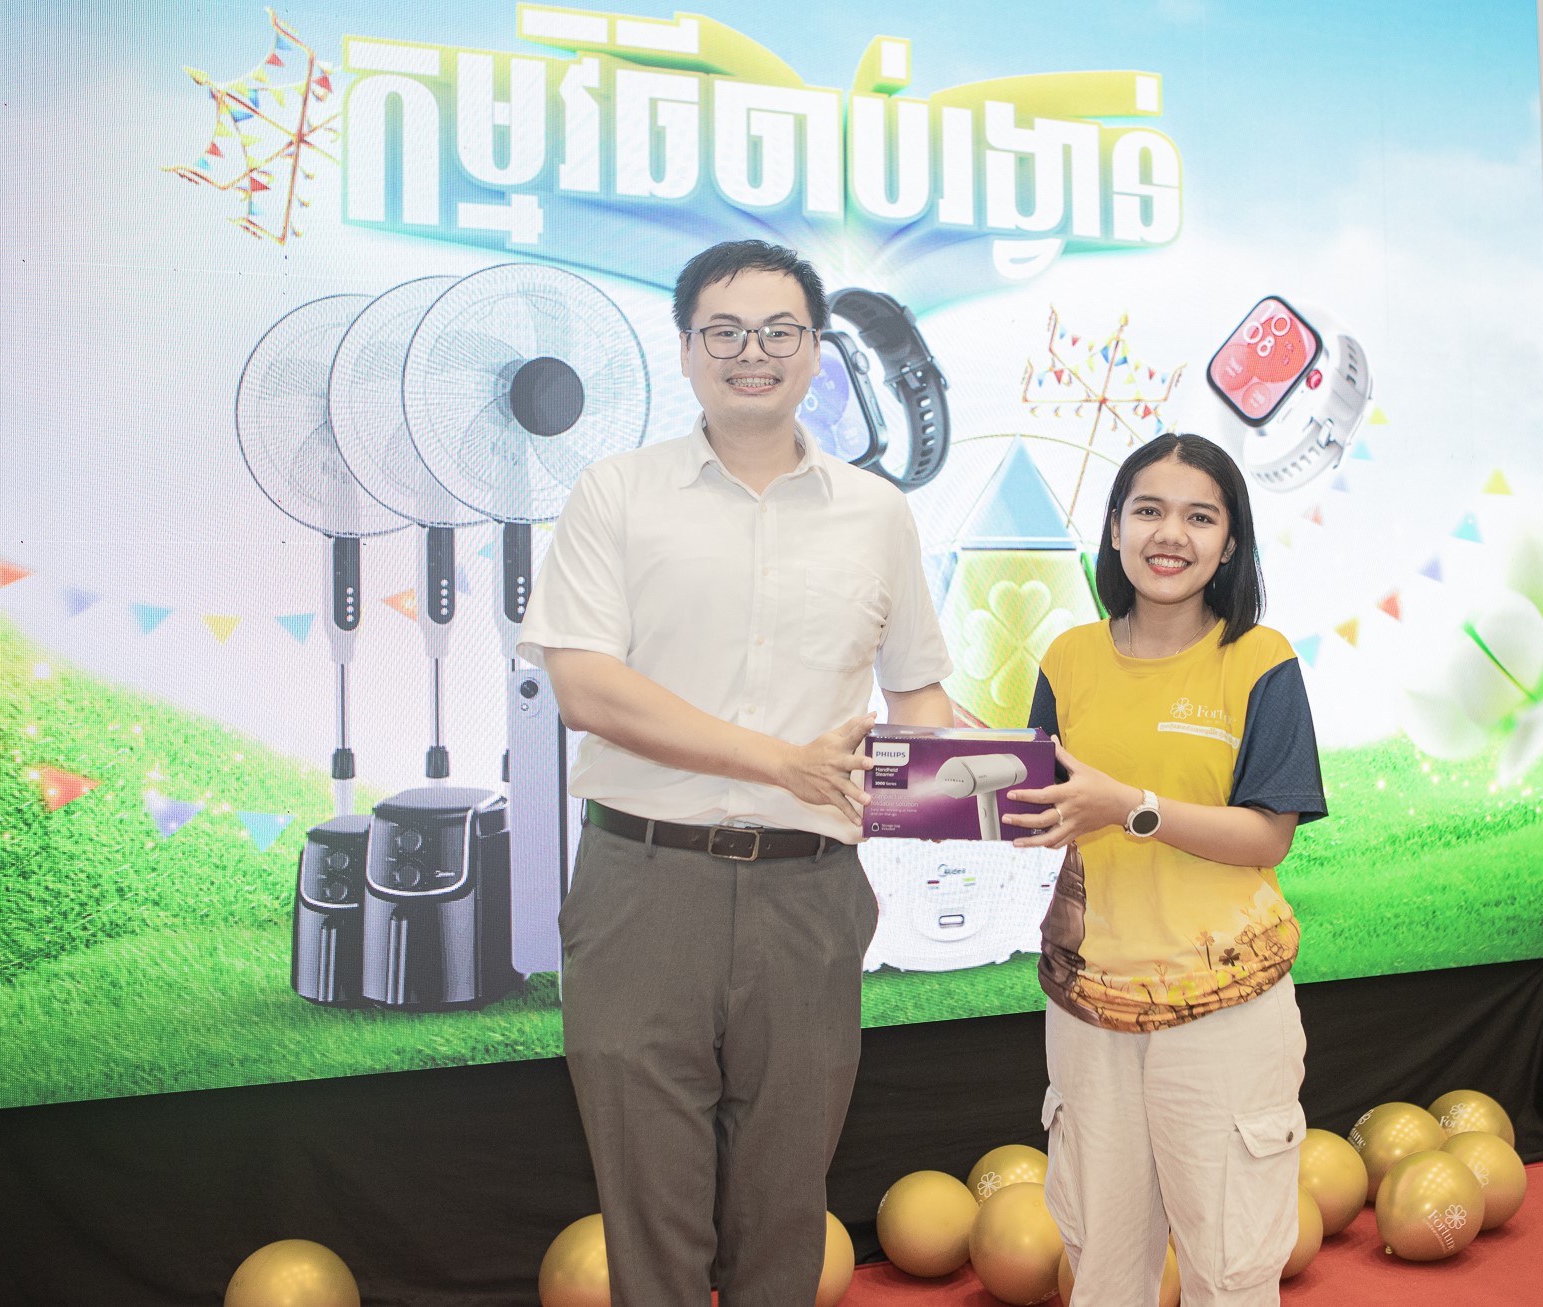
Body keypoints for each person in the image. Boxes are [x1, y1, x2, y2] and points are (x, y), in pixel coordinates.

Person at [516, 240, 954, 1304]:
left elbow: (918, 697)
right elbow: (588, 689)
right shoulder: (616, 494)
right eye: (724, 330)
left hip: (809, 897)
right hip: (642, 889)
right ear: (685, 349)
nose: (751, 352)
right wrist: (783, 762)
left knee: (784, 1204)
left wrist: (982, 779)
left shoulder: (877, 513)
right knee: (650, 1206)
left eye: (779, 331)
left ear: (816, 352)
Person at [1004, 433, 1326, 1305]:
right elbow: (1046, 807)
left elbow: (1268, 835)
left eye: (1199, 516)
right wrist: (953, 781)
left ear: (1230, 541)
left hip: (1225, 1008)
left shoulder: (1259, 659)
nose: (1170, 534)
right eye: (1148, 510)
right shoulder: (1068, 657)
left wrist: (1131, 806)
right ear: (1115, 528)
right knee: (1102, 1267)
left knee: (1231, 1269)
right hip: (1089, 1010)